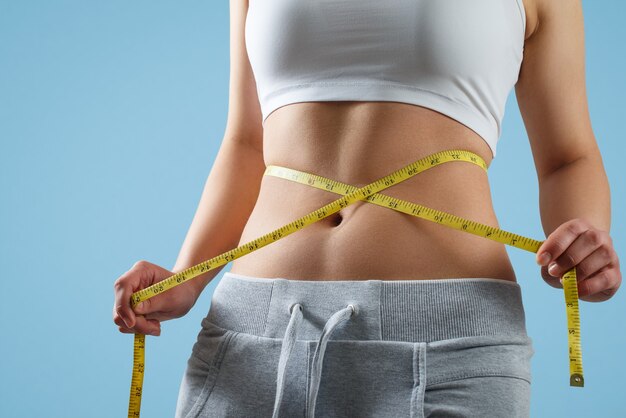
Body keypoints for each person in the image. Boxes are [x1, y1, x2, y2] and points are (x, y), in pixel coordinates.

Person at [113, 0, 622, 416]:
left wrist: (583, 241)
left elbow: (567, 156)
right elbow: (247, 144)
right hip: (251, 336)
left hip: (448, 342)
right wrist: (189, 276)